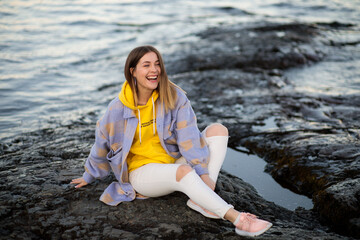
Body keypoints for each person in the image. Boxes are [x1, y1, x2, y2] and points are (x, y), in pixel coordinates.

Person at [71, 45, 272, 237]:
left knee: (218, 130)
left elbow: (189, 137)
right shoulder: (118, 108)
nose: (154, 69)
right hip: (142, 173)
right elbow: (102, 142)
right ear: (132, 71)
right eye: (146, 65)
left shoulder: (173, 96)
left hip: (172, 161)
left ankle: (200, 199)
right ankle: (237, 219)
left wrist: (202, 173)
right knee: (183, 172)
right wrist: (89, 175)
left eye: (157, 64)